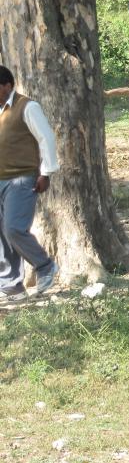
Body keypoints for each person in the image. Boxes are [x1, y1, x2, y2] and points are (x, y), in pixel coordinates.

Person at [0, 65, 60, 301]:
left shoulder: (27, 107)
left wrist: (46, 173)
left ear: (7, 85)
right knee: (2, 235)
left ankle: (45, 266)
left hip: (22, 178)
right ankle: (12, 286)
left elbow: (46, 138)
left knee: (14, 228)